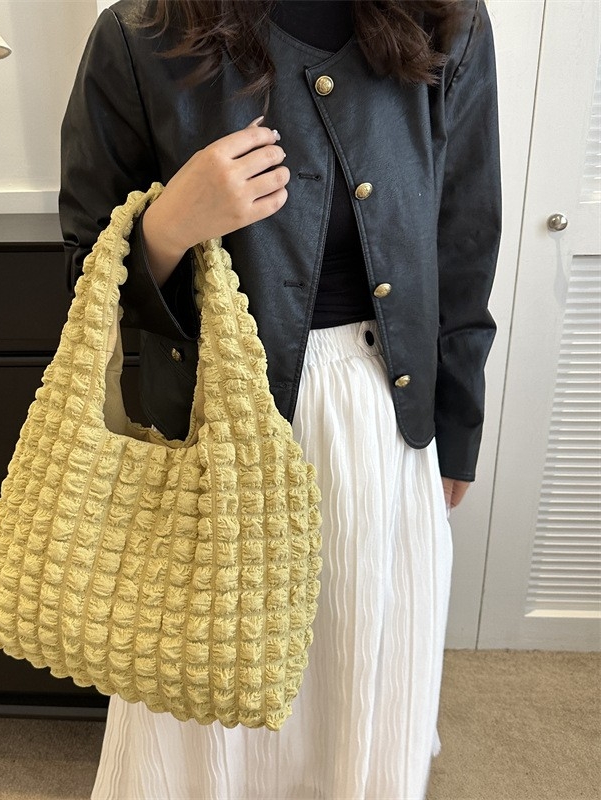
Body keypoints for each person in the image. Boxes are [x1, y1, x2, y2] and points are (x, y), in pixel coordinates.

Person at [58, 0, 502, 797]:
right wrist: (168, 225)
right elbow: (81, 273)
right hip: (208, 432)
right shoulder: (140, 34)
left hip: (380, 419)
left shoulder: (447, 22)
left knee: (360, 681)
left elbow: (463, 240)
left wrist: (455, 432)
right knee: (196, 711)